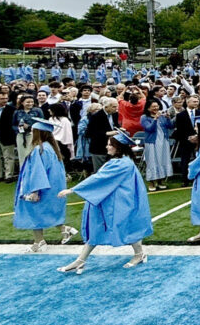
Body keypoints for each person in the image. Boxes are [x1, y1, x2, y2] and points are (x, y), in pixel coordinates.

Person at [56, 129, 153, 274]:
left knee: (126, 228)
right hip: (111, 201)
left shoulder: (121, 164)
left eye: (110, 144)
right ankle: (80, 260)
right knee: (102, 228)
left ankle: (139, 254)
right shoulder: (122, 162)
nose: (107, 147)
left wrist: (73, 190)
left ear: (118, 147)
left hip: (119, 203)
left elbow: (99, 178)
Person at [13, 118, 77, 252]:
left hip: (41, 187)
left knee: (35, 212)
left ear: (38, 133)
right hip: (53, 186)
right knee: (44, 212)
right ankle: (54, 234)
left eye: (33, 131)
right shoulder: (52, 148)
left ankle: (40, 241)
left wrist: (35, 191)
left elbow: (38, 171)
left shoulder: (39, 149)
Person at [140, 99, 175, 191]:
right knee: (152, 161)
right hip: (151, 142)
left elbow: (171, 126)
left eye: (157, 106)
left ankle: (161, 181)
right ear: (148, 108)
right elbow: (149, 128)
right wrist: (155, 119)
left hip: (163, 141)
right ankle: (151, 182)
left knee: (163, 160)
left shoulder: (162, 116)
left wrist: (168, 118)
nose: (156, 108)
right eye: (153, 106)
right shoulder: (144, 117)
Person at [173, 95, 200, 186]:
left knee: (199, 159)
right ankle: (185, 179)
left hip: (199, 140)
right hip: (185, 141)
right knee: (185, 160)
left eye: (197, 101)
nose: (196, 103)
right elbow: (180, 130)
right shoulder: (180, 115)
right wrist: (189, 138)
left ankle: (198, 178)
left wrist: (197, 137)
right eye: (194, 101)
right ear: (188, 102)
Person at [14, 94, 44, 165]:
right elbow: (13, 124)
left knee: (31, 153)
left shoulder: (38, 111)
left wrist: (29, 127)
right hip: (21, 134)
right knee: (22, 154)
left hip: (33, 134)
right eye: (28, 102)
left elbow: (42, 123)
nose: (30, 104)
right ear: (22, 103)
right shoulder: (17, 112)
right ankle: (23, 172)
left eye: (32, 102)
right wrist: (18, 128)